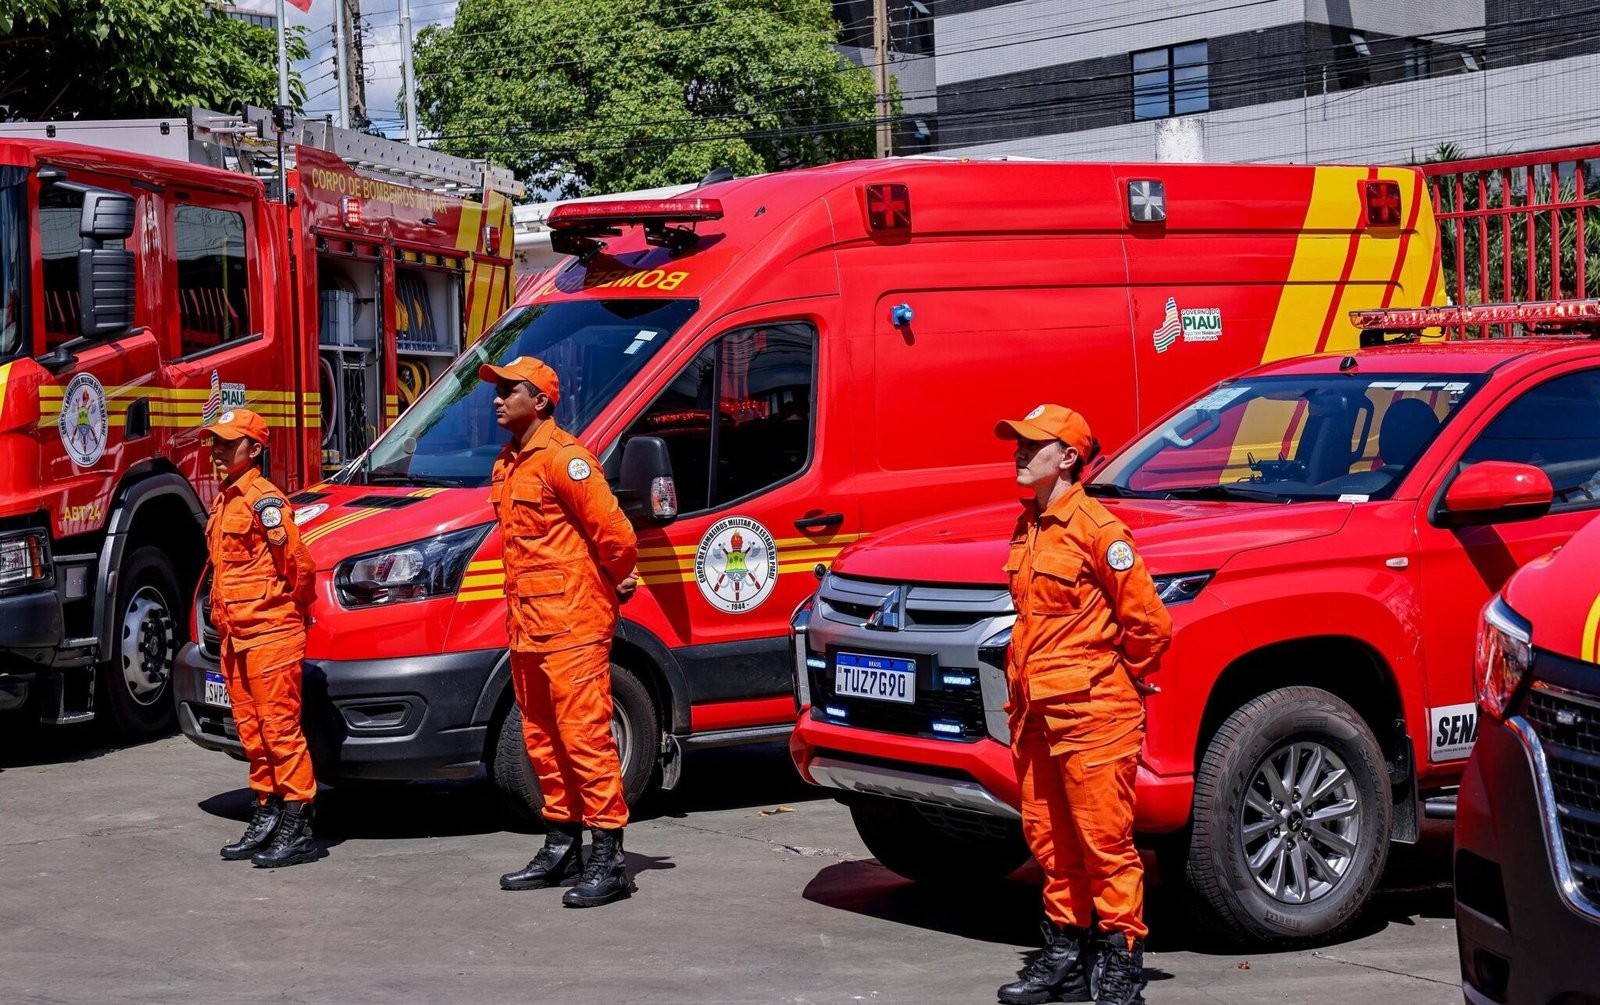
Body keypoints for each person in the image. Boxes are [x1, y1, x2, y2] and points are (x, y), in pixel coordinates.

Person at [993, 404, 1173, 1005]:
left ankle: (1120, 961)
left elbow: (1149, 624)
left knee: (1104, 843)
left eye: (1032, 444)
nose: (1019, 453)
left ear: (1068, 458)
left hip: (1094, 712)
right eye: (1017, 444)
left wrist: (1118, 679)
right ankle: (1065, 952)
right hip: (1035, 711)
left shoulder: (1100, 532)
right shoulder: (1029, 525)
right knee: (1049, 837)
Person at [481, 356, 641, 908]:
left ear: (541, 401)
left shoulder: (565, 461)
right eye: (496, 390)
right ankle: (561, 843)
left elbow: (616, 535)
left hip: (572, 623)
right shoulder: (511, 463)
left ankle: (608, 857)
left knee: (585, 738)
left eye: (509, 390)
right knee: (541, 739)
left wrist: (616, 583)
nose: (497, 398)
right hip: (528, 624)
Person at [201, 408, 321, 869]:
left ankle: (299, 823)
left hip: (270, 632)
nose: (217, 451)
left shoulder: (264, 501)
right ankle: (267, 811)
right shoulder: (226, 500)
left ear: (254, 450)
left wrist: (287, 609)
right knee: (252, 733)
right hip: (236, 636)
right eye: (215, 442)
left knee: (280, 731)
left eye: (227, 444)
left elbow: (299, 566)